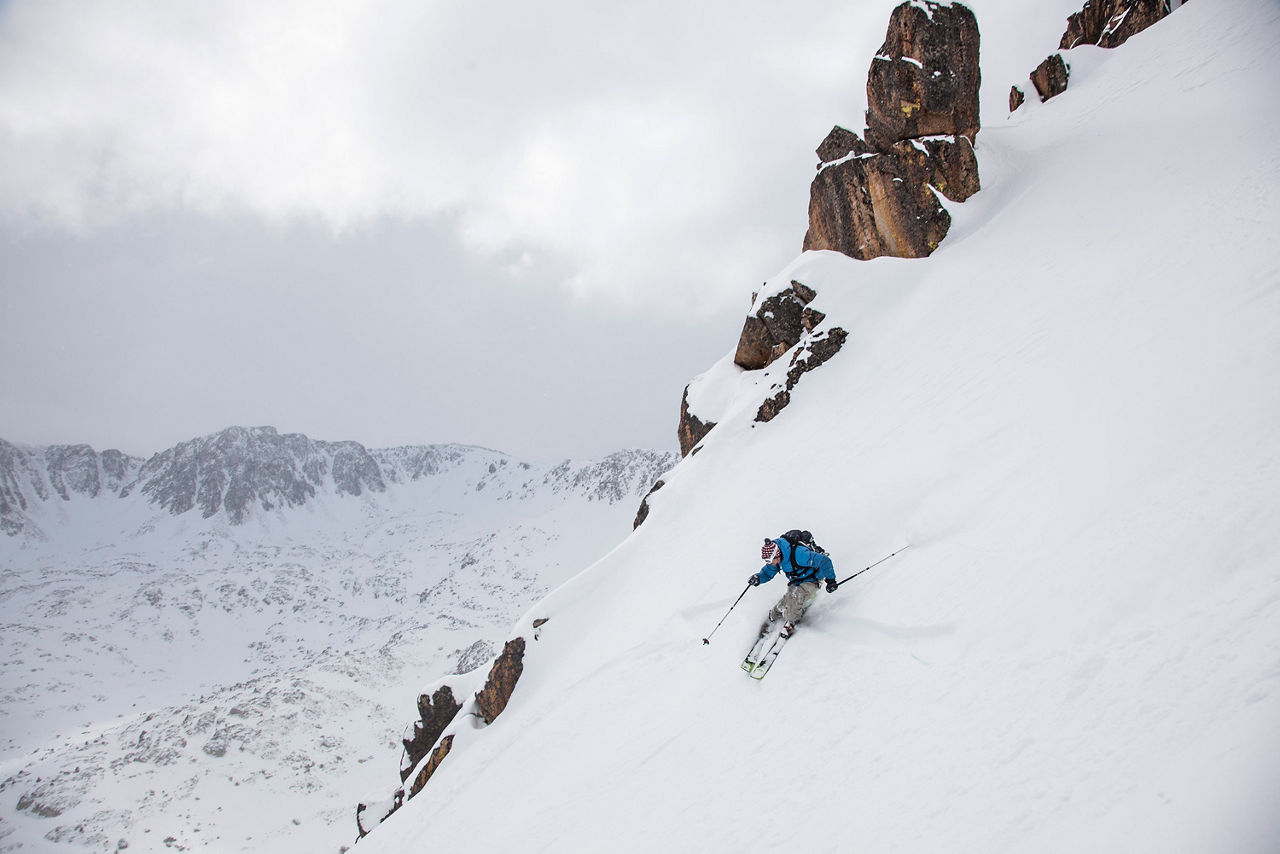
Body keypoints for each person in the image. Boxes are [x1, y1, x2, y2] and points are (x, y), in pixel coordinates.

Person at [748, 531, 837, 638]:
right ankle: (774, 616)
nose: (770, 563)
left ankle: (792, 621)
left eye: (770, 560)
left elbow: (824, 561)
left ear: (777, 555)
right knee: (785, 602)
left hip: (812, 579)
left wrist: (831, 581)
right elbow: (768, 572)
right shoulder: (777, 558)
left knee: (795, 600)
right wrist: (758, 578)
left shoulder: (799, 554)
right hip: (797, 580)